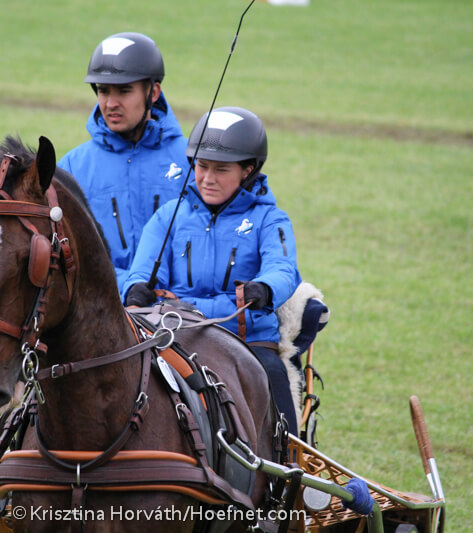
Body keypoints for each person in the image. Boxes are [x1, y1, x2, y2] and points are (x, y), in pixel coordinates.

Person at [122, 106, 302, 429]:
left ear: (248, 170)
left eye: (221, 169)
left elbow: (283, 269)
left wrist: (265, 288)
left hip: (248, 340)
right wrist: (135, 288)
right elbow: (143, 272)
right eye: (201, 166)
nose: (207, 178)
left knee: (273, 374)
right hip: (177, 334)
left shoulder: (271, 219)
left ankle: (288, 451)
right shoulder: (168, 215)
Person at [57, 32, 189, 291]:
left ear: (153, 92)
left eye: (124, 91)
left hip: (179, 307)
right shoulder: (71, 168)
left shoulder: (194, 161)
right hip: (104, 306)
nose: (111, 103)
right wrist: (129, 286)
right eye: (103, 91)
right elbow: (64, 255)